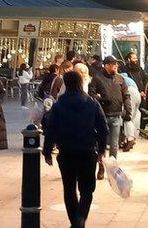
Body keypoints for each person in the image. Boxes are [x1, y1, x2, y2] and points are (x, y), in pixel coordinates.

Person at [43, 71, 108, 228]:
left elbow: (50, 129)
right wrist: (101, 150)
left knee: (69, 189)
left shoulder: (59, 105)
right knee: (87, 190)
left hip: (66, 153)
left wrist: (47, 151)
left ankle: (75, 222)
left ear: (65, 84)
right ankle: (80, 219)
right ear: (80, 83)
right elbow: (103, 128)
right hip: (87, 152)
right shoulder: (92, 103)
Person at [88, 56, 132, 179]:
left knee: (114, 145)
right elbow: (91, 93)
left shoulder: (120, 78)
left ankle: (113, 169)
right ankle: (101, 165)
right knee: (101, 143)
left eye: (116, 65)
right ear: (106, 65)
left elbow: (126, 95)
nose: (116, 67)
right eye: (113, 65)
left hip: (117, 115)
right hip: (103, 115)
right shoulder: (97, 78)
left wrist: (128, 109)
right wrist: (101, 99)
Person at [120, 72, 141, 152]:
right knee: (134, 117)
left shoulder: (119, 78)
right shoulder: (129, 79)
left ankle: (130, 138)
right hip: (137, 94)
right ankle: (134, 136)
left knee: (127, 117)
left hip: (130, 93)